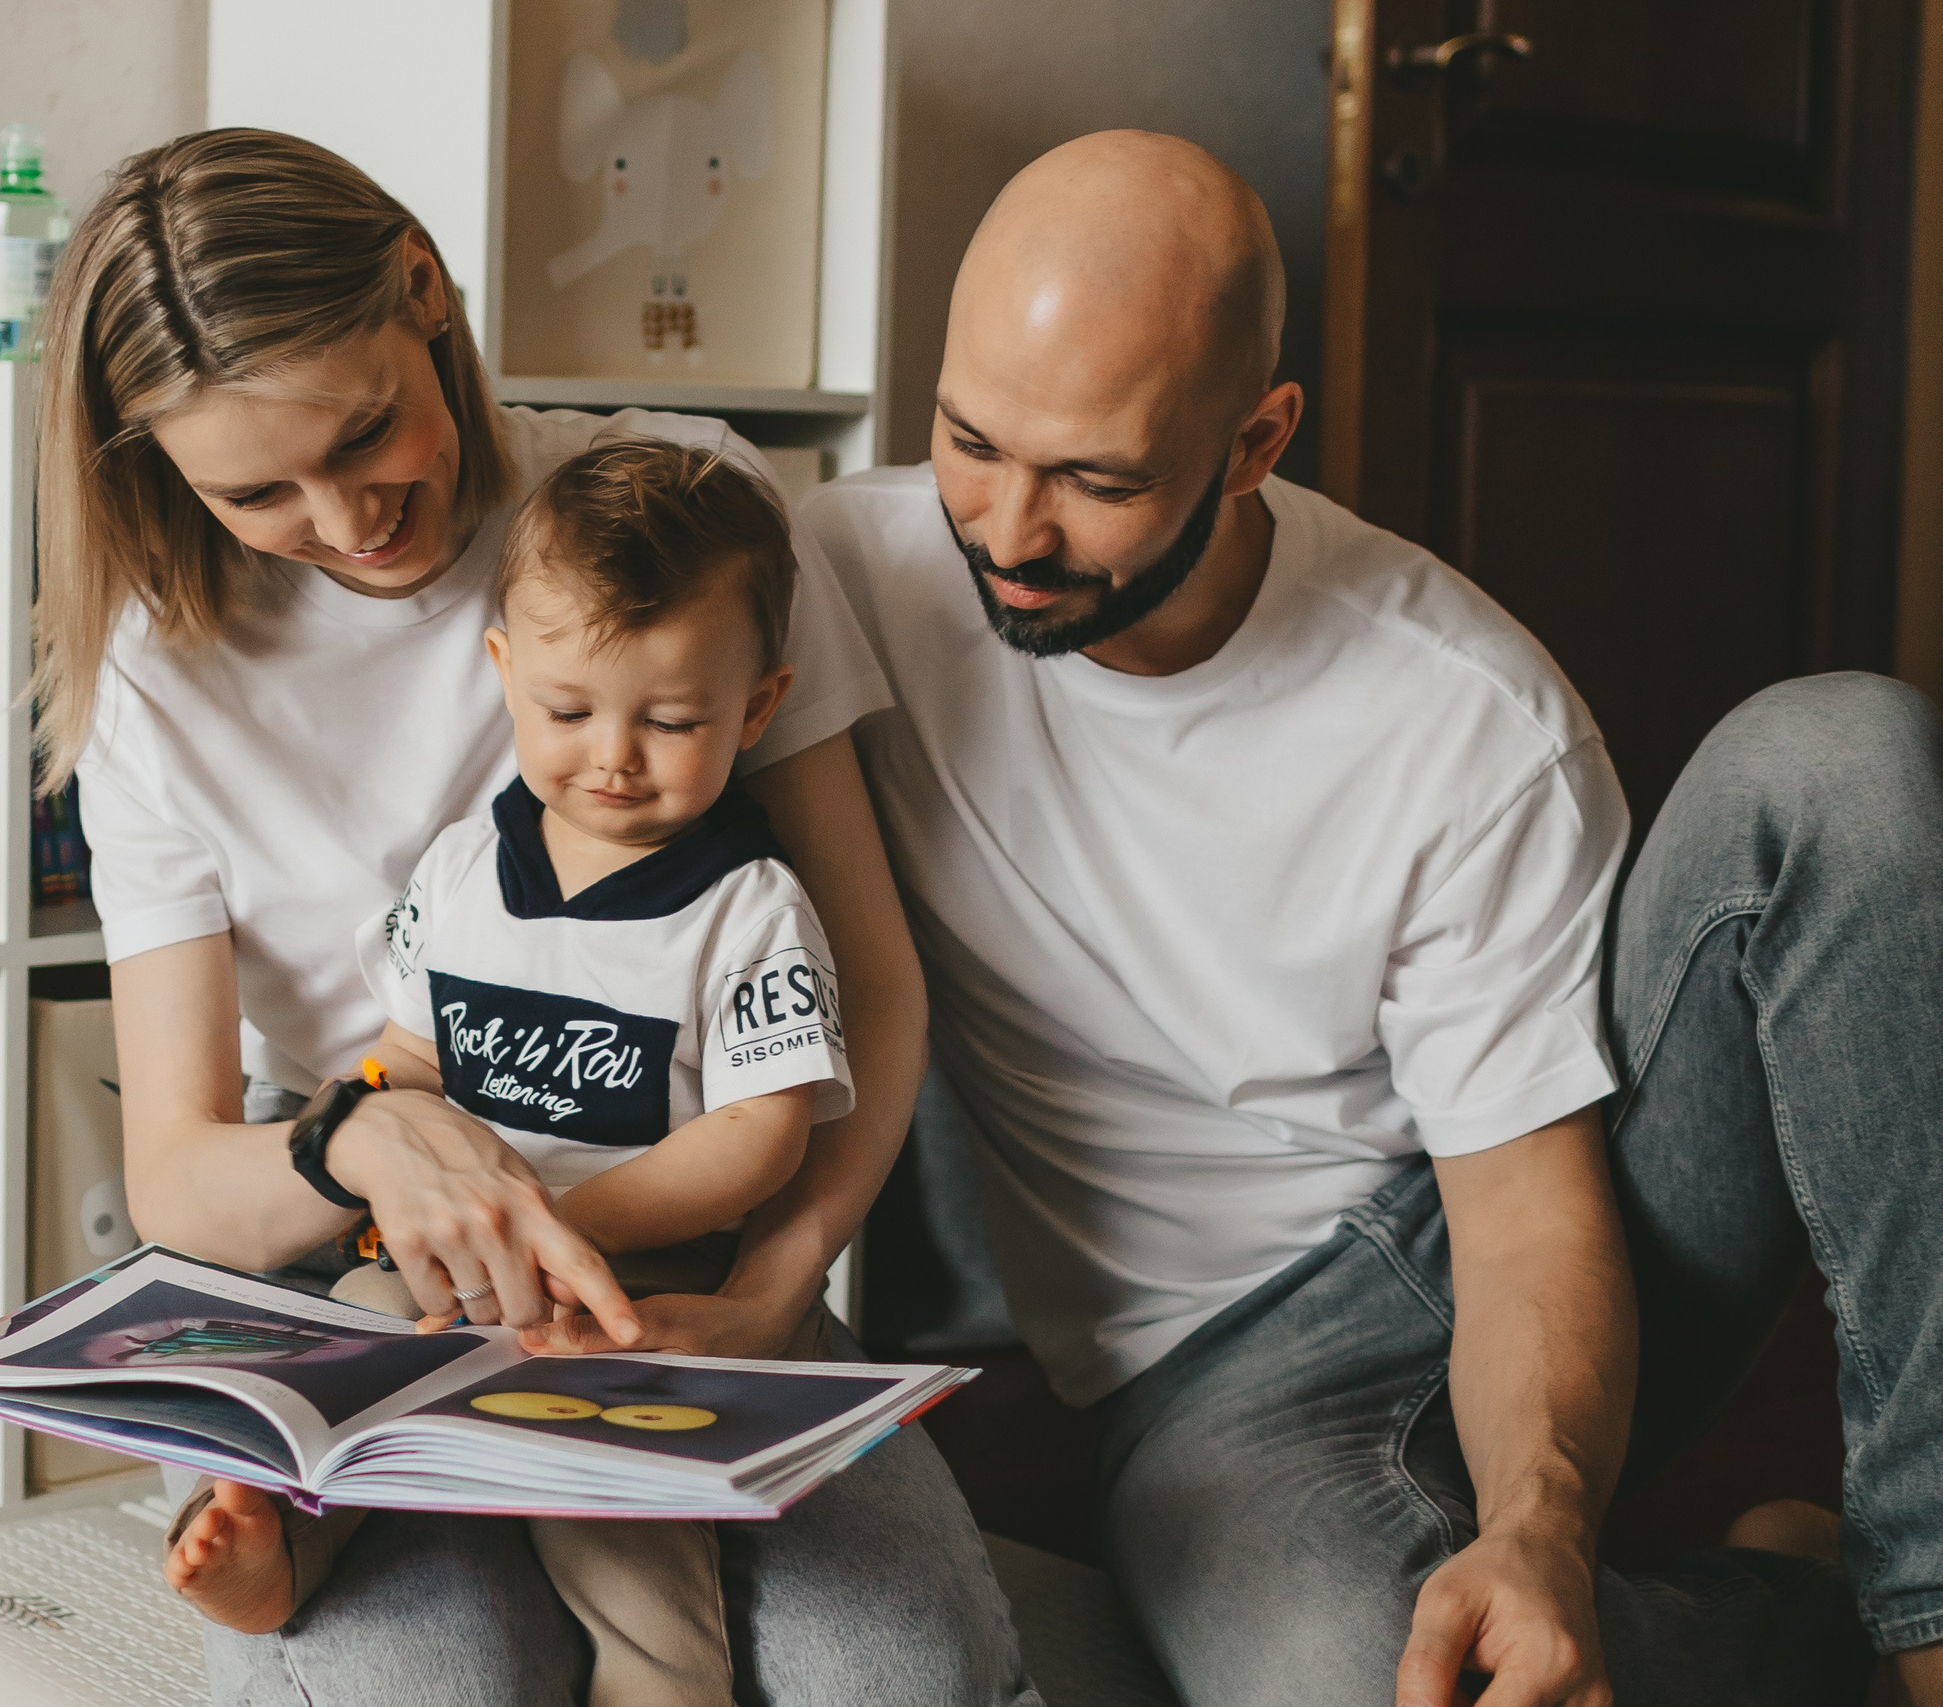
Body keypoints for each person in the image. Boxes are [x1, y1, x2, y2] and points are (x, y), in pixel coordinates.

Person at [787, 129, 1943, 1705]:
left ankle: (1921, 1604)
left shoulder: (1465, 713)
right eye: (972, 439)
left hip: (1531, 1230)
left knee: (1846, 757)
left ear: (1256, 439)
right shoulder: (846, 578)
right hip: (1220, 1366)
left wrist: (1537, 1518)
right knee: (1372, 1682)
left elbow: (1529, 1211)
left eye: (1098, 478)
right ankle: (1787, 1609)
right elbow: (541, 541)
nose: (1006, 529)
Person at [35, 129, 1036, 1706]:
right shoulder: (164, 675)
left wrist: (774, 1289)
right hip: (351, 1245)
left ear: (424, 290)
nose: (351, 516)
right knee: (429, 1685)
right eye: (255, 491)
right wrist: (354, 1141)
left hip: (686, 1237)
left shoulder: (678, 512)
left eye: (366, 431)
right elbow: (179, 1175)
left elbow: (870, 992)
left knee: (890, 1675)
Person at [173, 439, 860, 1707]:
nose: (612, 757)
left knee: (624, 1523)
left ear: (757, 709)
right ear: (505, 674)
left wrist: (556, 1230)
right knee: (350, 1363)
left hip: (634, 1282)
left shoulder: (746, 909)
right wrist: (384, 1140)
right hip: (446, 1265)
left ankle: (665, 1683)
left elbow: (761, 1135)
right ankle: (281, 1556)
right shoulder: (460, 875)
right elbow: (414, 1057)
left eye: (669, 722)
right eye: (567, 712)